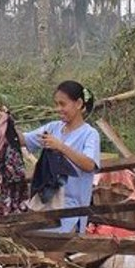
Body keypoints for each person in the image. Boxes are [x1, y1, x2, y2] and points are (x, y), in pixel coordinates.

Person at [21, 80, 101, 233]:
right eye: (56, 104)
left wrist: (61, 147)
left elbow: (89, 164)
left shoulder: (89, 134)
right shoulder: (53, 128)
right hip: (48, 204)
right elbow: (26, 139)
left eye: (63, 104)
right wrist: (5, 125)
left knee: (53, 252)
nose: (59, 109)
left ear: (78, 103)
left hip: (72, 209)